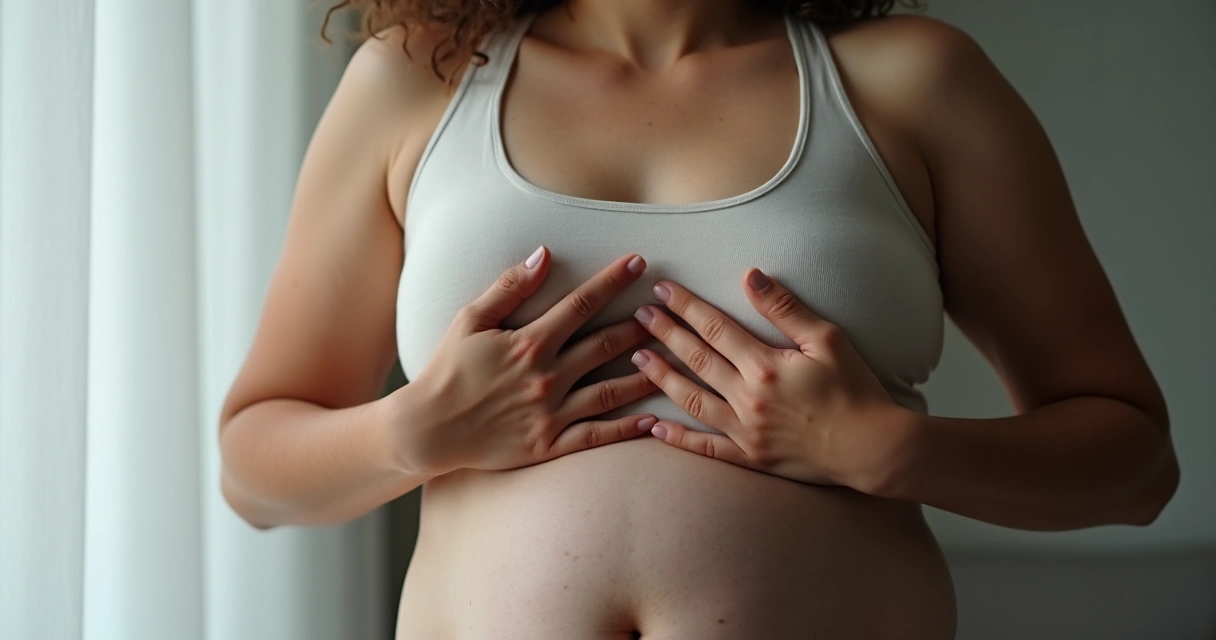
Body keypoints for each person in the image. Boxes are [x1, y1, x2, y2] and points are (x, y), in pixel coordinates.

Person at [217, 0, 1181, 637]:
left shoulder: (916, 82)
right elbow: (253, 470)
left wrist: (889, 451)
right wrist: (413, 432)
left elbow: (1135, 463)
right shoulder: (414, 81)